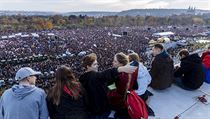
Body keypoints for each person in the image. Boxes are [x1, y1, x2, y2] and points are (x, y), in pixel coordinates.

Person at [79, 53, 136, 119]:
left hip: (93, 109)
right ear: (88, 66)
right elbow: (104, 75)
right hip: (100, 110)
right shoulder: (92, 75)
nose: (97, 65)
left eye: (97, 63)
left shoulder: (82, 78)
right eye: (94, 64)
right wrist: (120, 69)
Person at [108, 52, 148, 119]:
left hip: (120, 98)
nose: (112, 62)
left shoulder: (118, 76)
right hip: (129, 93)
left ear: (121, 64)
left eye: (115, 61)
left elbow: (113, 89)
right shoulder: (132, 70)